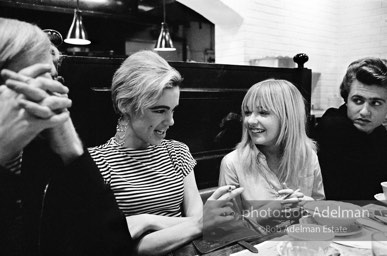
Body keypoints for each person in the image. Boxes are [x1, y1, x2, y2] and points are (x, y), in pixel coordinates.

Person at [88, 50, 244, 256]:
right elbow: (119, 247)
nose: (170, 121)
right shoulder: (96, 163)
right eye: (160, 110)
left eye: (173, 110)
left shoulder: (177, 152)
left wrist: (146, 221)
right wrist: (195, 225)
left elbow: (198, 221)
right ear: (125, 105)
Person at [0, 17, 134, 256]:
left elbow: (116, 248)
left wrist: (72, 148)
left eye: (54, 79)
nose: (52, 94)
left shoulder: (46, 155)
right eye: (36, 81)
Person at [219, 79, 325, 217]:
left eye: (263, 113)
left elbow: (320, 208)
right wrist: (266, 214)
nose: (250, 121)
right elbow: (225, 229)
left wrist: (309, 206)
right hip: (258, 239)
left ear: (288, 117)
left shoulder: (308, 156)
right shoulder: (232, 163)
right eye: (247, 112)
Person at [314, 57, 387, 200]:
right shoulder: (333, 128)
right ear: (346, 99)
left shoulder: (379, 133)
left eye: (376, 103)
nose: (365, 111)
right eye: (357, 101)